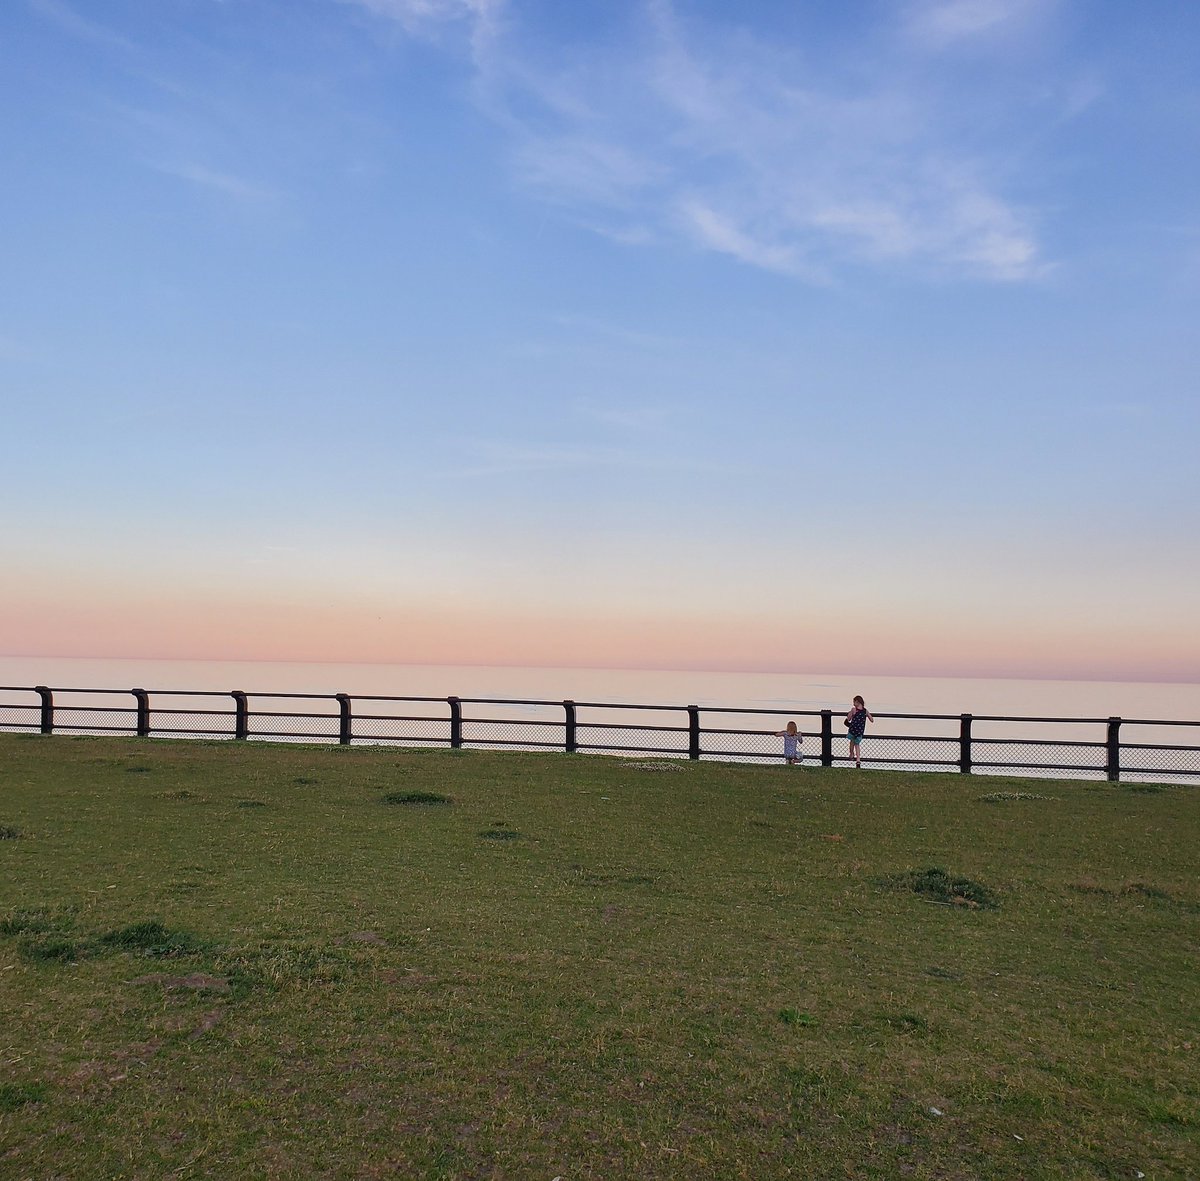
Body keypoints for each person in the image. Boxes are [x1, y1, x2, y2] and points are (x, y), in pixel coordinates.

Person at [845, 696, 873, 768]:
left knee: (852, 743)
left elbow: (848, 719)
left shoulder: (854, 710)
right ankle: (858, 760)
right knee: (857, 745)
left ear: (857, 702)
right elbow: (872, 719)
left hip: (853, 730)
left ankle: (851, 754)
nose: (853, 704)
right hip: (860, 731)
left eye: (854, 702)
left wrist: (850, 713)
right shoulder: (865, 711)